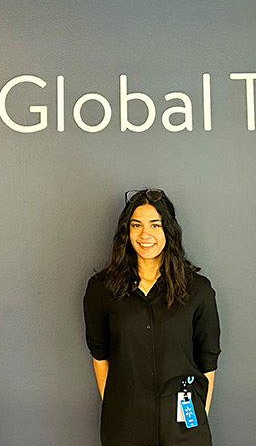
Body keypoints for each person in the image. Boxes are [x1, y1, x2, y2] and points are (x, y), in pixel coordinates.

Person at [83, 188, 220, 446]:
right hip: (125, 426)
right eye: (137, 225)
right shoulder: (102, 289)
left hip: (183, 429)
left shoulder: (198, 290)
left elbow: (208, 362)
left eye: (155, 225)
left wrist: (198, 416)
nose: (145, 234)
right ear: (127, 232)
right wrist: (119, 407)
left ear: (168, 230)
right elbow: (99, 355)